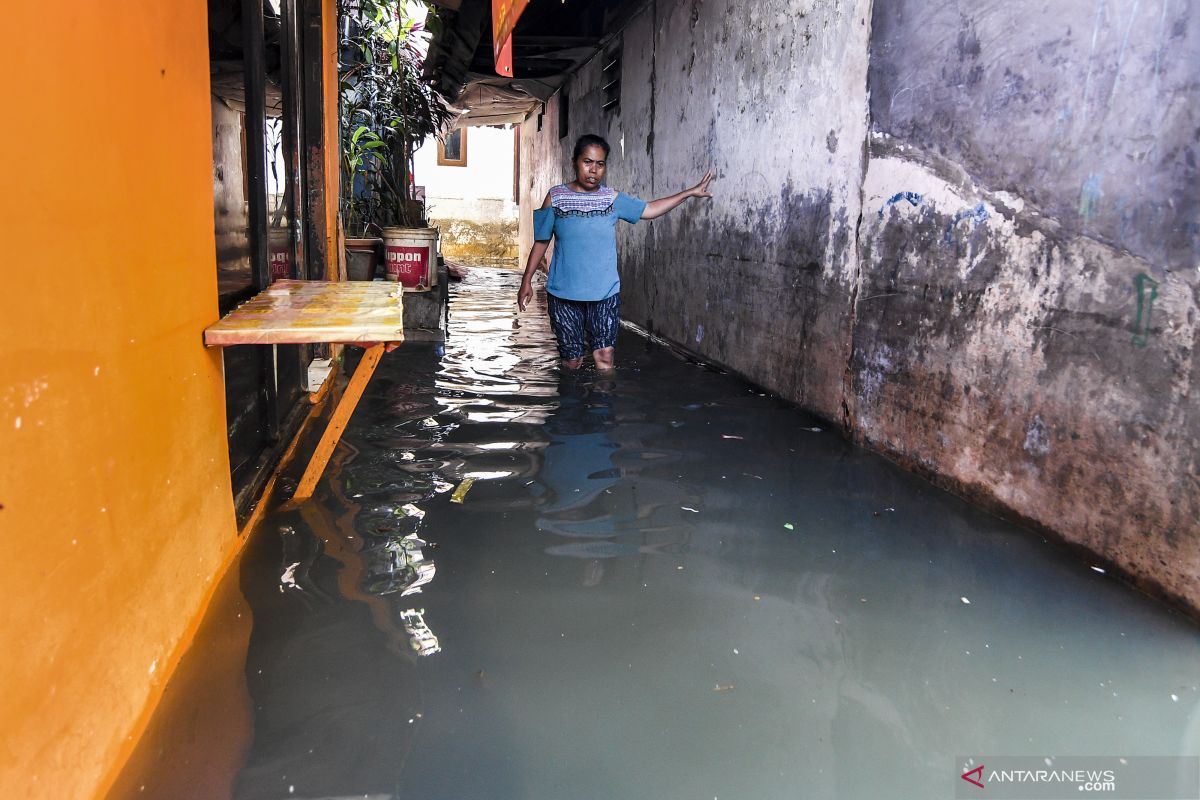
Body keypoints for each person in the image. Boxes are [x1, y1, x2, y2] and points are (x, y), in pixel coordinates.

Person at [517, 133, 713, 371]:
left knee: (605, 356)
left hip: (604, 294)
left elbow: (648, 209)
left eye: (600, 164)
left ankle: (603, 406)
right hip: (564, 294)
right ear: (575, 162)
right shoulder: (556, 197)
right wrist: (526, 281)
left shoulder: (611, 198)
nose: (593, 170)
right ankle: (571, 406)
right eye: (587, 162)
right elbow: (541, 241)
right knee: (572, 361)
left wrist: (688, 193)